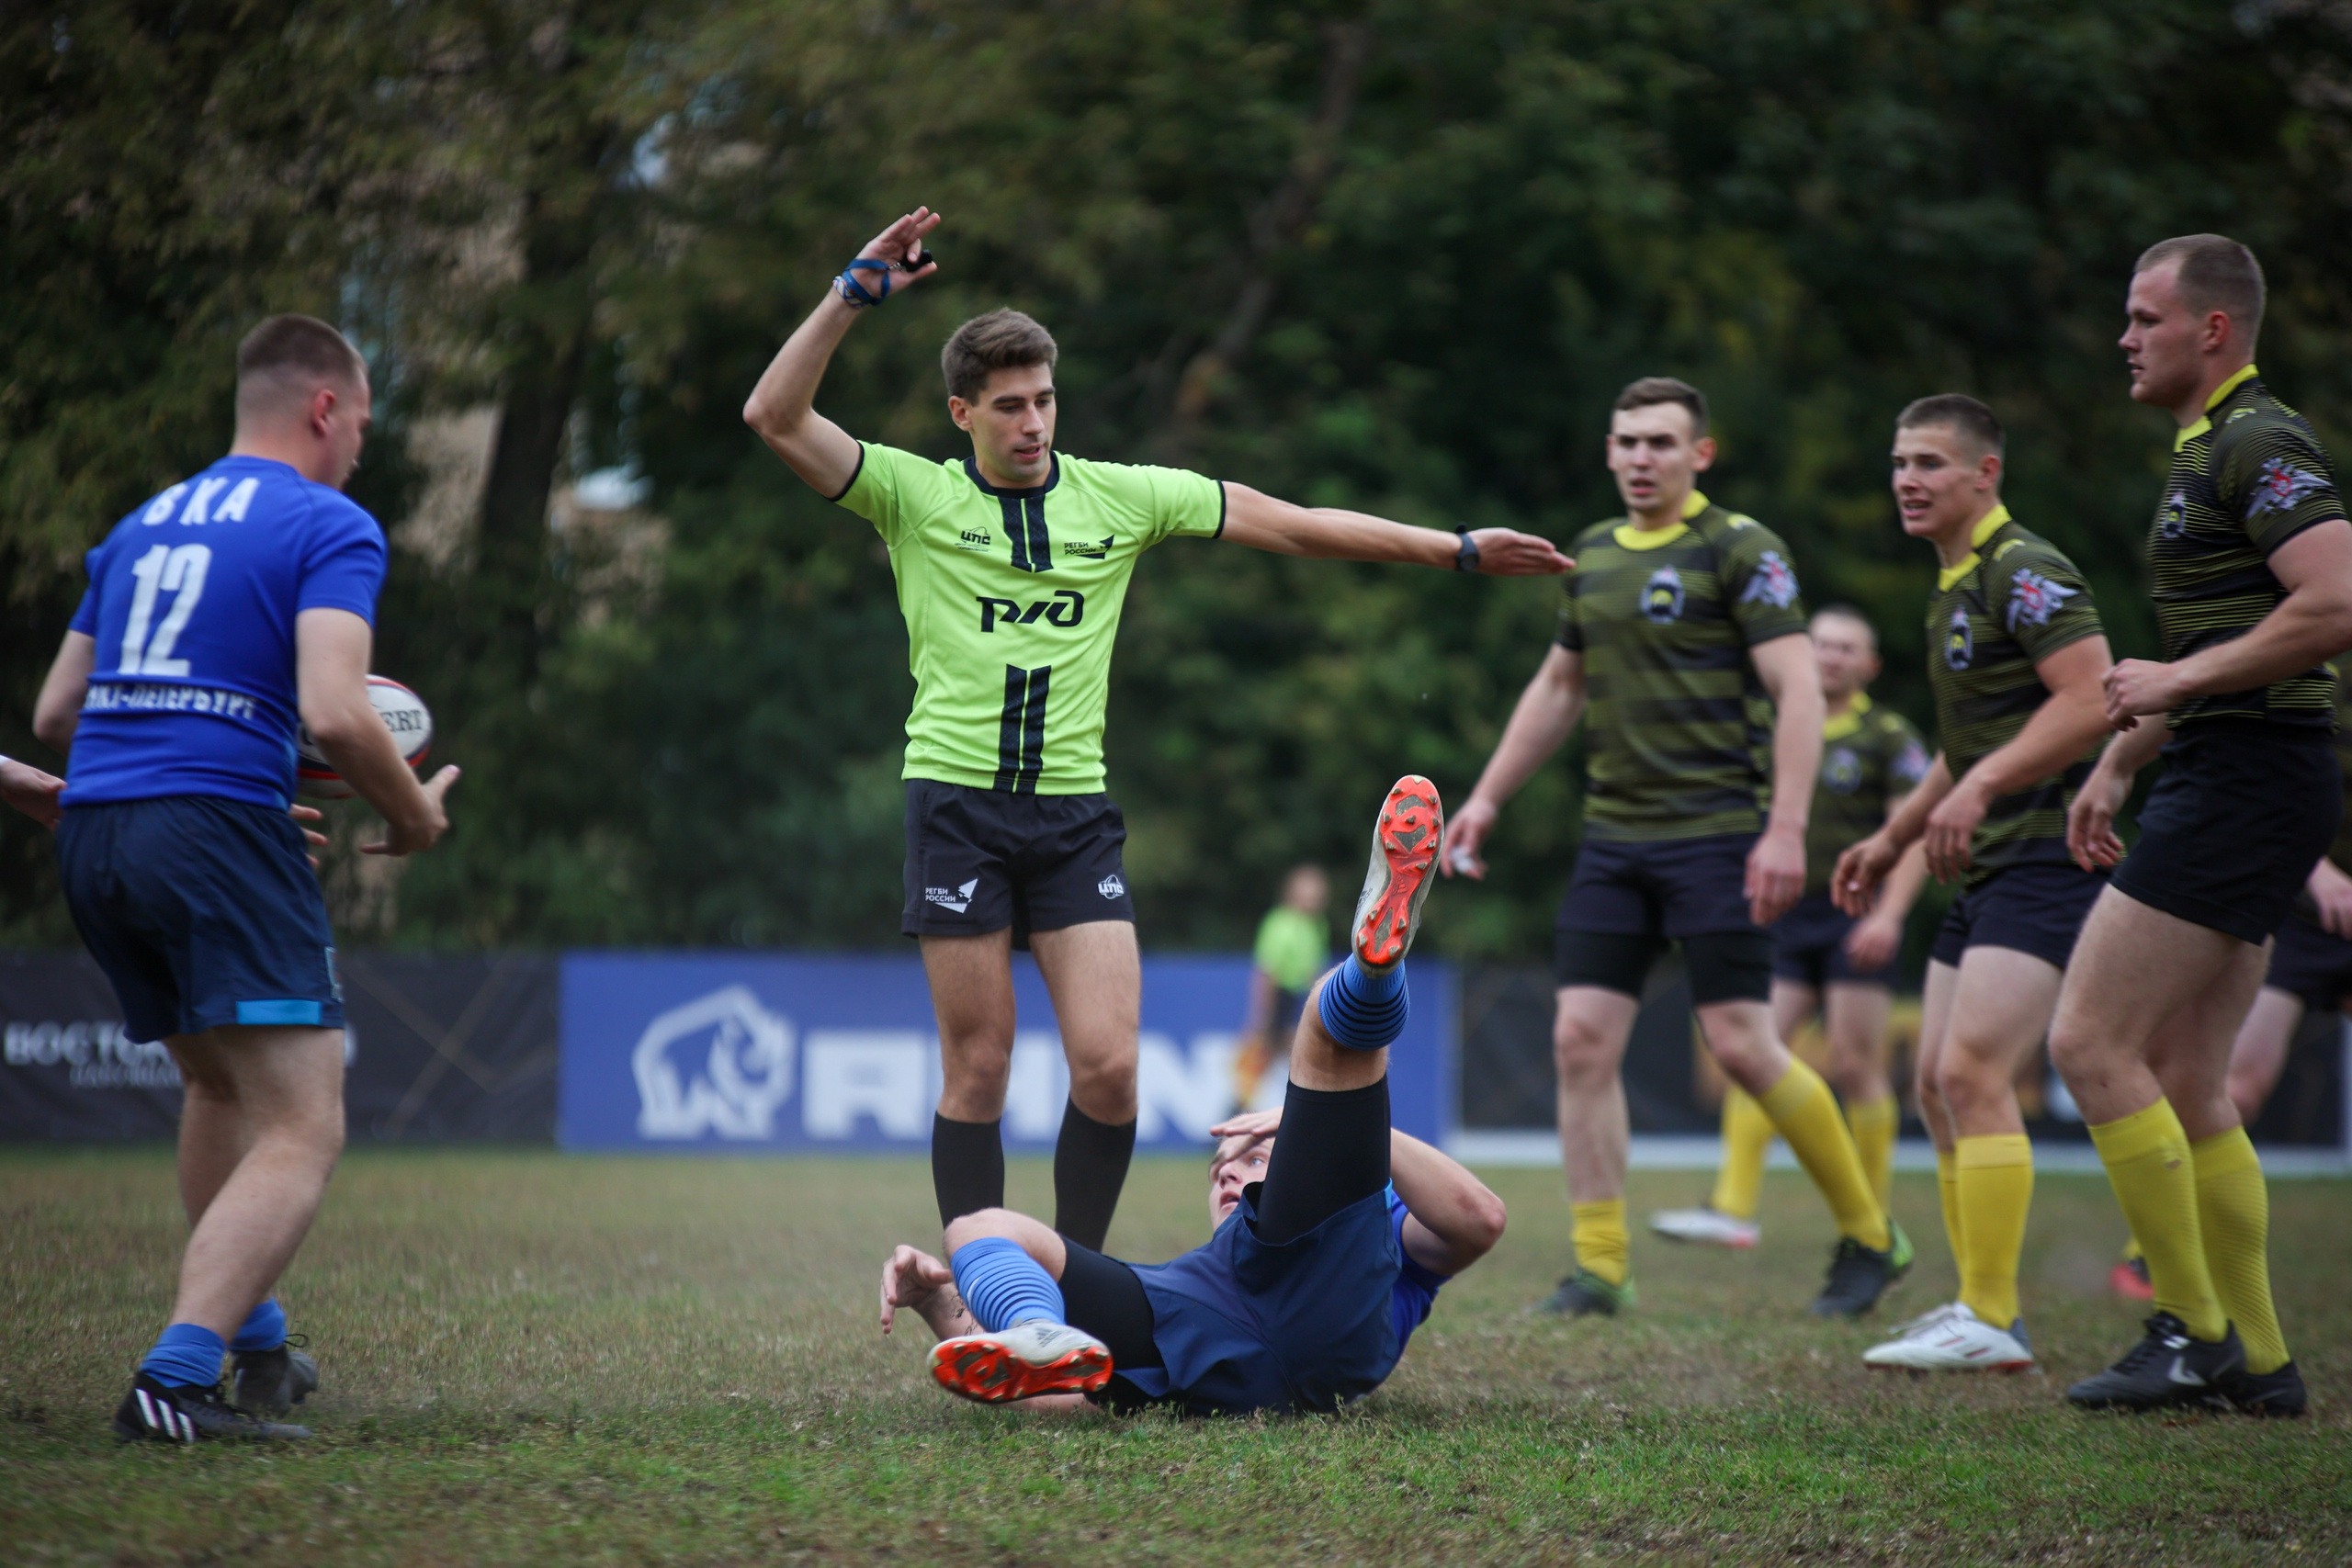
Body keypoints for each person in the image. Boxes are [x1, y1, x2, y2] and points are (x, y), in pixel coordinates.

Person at [742, 209, 1567, 1253]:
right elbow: (772, 414)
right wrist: (847, 295)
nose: (1033, 421)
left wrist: (1451, 548)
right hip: (952, 805)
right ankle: (987, 1291)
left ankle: (1077, 1287)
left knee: (1110, 1066)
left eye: (1043, 398)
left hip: (1073, 814)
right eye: (1007, 406)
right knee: (981, 1065)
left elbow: (1295, 524)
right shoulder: (911, 494)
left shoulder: (1122, 498)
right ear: (962, 413)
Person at [24, 314, 459, 1442]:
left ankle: (257, 1347)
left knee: (222, 1090)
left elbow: (58, 712)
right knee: (302, 1125)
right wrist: (412, 814)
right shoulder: (329, 520)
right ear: (325, 409)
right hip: (211, 830)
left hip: (99, 829)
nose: (360, 445)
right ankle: (171, 1384)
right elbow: (330, 708)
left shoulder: (141, 523)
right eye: (361, 421)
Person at [1442, 376, 1907, 1320]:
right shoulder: (1593, 555)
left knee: (1741, 1044)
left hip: (1716, 836)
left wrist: (1783, 828)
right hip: (1614, 839)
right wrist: (1485, 797)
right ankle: (1600, 1264)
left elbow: (1800, 693)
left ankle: (1870, 1234)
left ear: (1700, 454)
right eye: (1625, 442)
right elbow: (1559, 689)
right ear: (1607, 451)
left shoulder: (1739, 548)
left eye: (1660, 442)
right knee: (1578, 1041)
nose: (1639, 458)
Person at [877, 775, 1507, 1415]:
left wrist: (1329, 1131)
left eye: (1254, 1159)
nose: (1231, 1171)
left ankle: (1372, 971)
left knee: (1324, 1018)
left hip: (1318, 1288)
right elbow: (1054, 1402)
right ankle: (1040, 1326)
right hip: (1214, 1320)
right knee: (975, 1225)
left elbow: (1478, 1218)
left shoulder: (1376, 1226)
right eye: (1222, 1170)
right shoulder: (1187, 1290)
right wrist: (934, 1301)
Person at [2052, 234, 2352, 1416]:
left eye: (2142, 317)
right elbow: (2210, 655)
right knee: (2184, 1071)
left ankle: (2194, 1334)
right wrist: (2120, 761)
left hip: (2249, 782)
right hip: (2235, 773)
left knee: (2086, 1042)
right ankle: (2264, 1365)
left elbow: (2335, 600)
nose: (2123, 338)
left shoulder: (2255, 441)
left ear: (2212, 329)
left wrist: (2175, 694)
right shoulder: (2203, 450)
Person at [1832, 396, 2115, 1373]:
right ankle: (1977, 1305)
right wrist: (1888, 837)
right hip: (1986, 858)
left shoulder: (2019, 569)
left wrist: (1987, 784)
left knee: (1970, 1076)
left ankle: (1994, 1315)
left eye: (1931, 464)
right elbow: (1965, 749)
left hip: (2048, 853)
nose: (1908, 479)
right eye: (1900, 461)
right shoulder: (1952, 585)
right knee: (1935, 1085)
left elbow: (2094, 695)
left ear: (1984, 474)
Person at [1653, 605, 1930, 1249]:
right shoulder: (1782, 725)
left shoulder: (1889, 736)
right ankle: (1733, 1206)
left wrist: (1889, 915)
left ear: (1870, 665)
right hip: (1783, 910)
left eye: (1846, 647)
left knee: (1859, 1063)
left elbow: (1913, 835)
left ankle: (1868, 1219)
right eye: (1821, 644)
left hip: (1855, 911)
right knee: (1756, 1048)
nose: (1831, 656)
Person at [2221, 679, 2352, 1125]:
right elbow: (2265, 783)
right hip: (2296, 914)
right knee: (2237, 1088)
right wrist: (2317, 869)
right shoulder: (2319, 675)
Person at [1232, 863, 1330, 1110]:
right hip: (1280, 996)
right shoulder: (1279, 922)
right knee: (1265, 1054)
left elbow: (1313, 971)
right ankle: (1238, 1111)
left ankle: (1244, 1109)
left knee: (1292, 1055)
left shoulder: (1317, 927)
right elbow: (1266, 971)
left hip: (1301, 998)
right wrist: (1261, 1014)